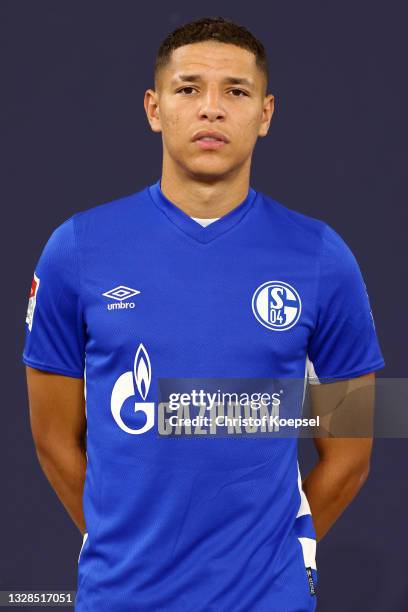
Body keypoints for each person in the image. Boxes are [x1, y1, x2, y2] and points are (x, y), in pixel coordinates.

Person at [22, 16, 385, 612]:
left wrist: (272, 556)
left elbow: (351, 451)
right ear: (154, 107)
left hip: (268, 599)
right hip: (122, 597)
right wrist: (122, 545)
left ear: (265, 114)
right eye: (189, 88)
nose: (211, 109)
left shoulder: (321, 256)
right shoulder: (78, 249)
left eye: (235, 91)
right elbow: (52, 438)